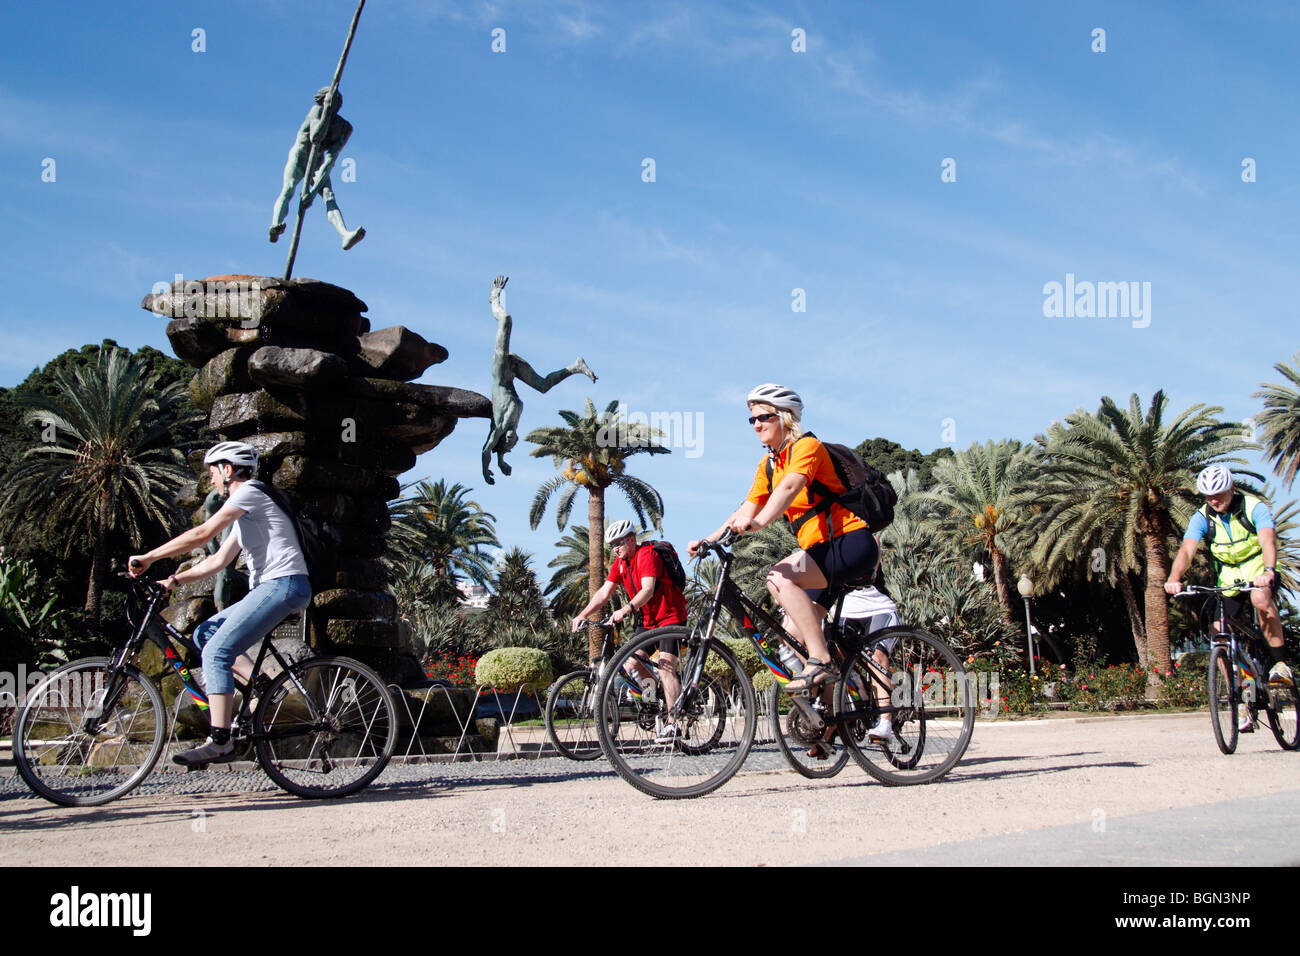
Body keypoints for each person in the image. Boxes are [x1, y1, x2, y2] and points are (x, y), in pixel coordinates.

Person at [129, 441, 311, 765]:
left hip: (282, 584)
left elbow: (203, 533)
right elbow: (216, 561)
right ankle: (260, 685)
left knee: (216, 652)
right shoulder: (248, 511)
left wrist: (149, 556)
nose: (211, 480)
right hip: (273, 587)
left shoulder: (251, 492)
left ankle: (220, 740)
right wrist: (173, 580)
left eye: (212, 473)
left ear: (227, 470)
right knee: (205, 635)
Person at [689, 384, 879, 694]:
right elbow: (745, 509)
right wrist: (707, 540)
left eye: (764, 417)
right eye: (752, 420)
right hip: (820, 554)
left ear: (785, 418)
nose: (757, 425)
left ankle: (822, 659)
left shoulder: (807, 448)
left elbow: (790, 488)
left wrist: (760, 522)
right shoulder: (767, 465)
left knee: (778, 576)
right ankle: (830, 720)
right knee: (791, 642)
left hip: (850, 542)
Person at [1165, 465, 1291, 730]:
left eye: (1219, 494)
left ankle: (1280, 663)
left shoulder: (1254, 507)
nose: (1214, 500)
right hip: (1229, 578)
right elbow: (1187, 550)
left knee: (1260, 600)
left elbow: (1268, 541)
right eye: (1209, 496)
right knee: (1218, 632)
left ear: (1231, 489)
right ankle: (1241, 689)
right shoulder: (1202, 516)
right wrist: (1174, 579)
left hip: (1258, 569)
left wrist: (1268, 571)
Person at [571, 519, 688, 743]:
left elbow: (648, 590)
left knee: (665, 667)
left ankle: (674, 724)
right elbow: (604, 592)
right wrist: (583, 614)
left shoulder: (647, 555)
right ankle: (654, 701)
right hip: (647, 621)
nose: (615, 548)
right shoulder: (620, 563)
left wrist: (626, 609)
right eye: (612, 545)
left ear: (631, 539)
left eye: (619, 543)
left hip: (670, 617)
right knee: (632, 663)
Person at [268, 87, 365, 250]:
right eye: (331, 98)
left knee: (329, 196)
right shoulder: (316, 111)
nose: (336, 101)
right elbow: (315, 137)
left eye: (338, 98)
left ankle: (344, 235)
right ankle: (275, 225)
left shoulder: (345, 127)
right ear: (323, 100)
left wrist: (312, 194)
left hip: (318, 161)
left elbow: (330, 160)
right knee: (289, 189)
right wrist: (326, 111)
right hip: (300, 155)